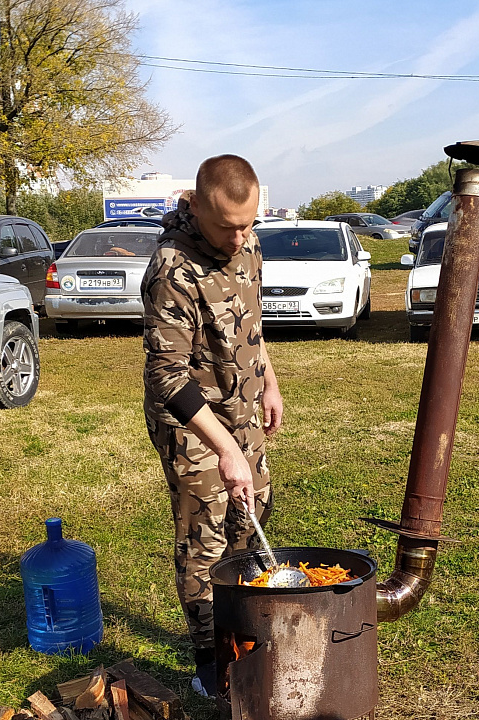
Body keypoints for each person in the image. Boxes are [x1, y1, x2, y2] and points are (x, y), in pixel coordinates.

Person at [141, 154, 283, 698]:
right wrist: (225, 449)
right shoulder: (171, 269)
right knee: (206, 538)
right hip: (192, 421)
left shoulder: (248, 243)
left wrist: (269, 382)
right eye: (227, 225)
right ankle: (211, 664)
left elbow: (253, 324)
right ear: (194, 204)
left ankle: (244, 635)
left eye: (249, 224)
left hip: (242, 406)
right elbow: (166, 378)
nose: (239, 236)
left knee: (250, 520)